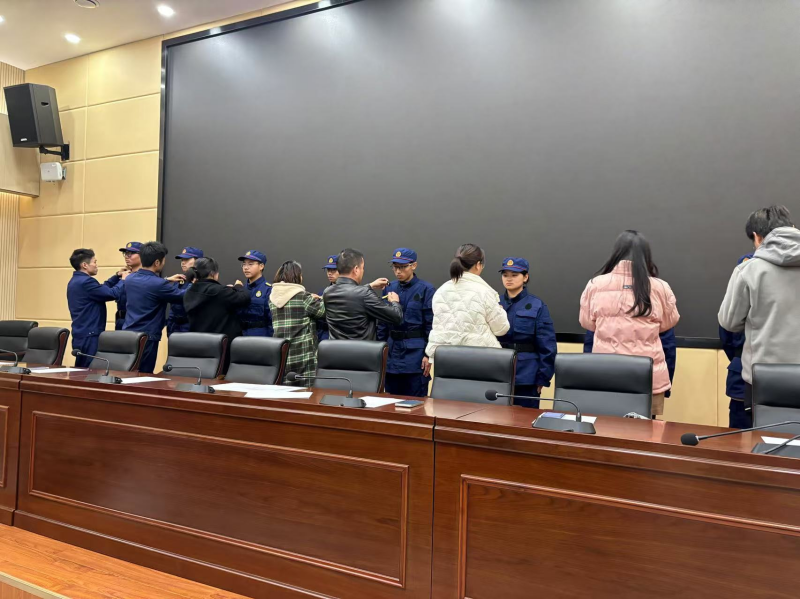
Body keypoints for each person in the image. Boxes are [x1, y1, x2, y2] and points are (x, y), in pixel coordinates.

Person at [579, 230, 680, 416]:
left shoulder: (595, 285)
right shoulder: (660, 287)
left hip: (605, 375)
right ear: (646, 256)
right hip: (647, 379)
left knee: (606, 427)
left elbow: (587, 323)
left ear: (616, 253)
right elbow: (668, 323)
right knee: (645, 430)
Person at [719, 206, 800, 410]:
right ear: (792, 227)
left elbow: (729, 322)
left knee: (762, 429)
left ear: (756, 237)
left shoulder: (748, 270)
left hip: (763, 379)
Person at [426, 244, 510, 362]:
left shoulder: (441, 290)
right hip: (478, 359)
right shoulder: (484, 292)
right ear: (478, 265)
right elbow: (501, 329)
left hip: (444, 359)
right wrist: (500, 310)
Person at [497, 257, 557, 408]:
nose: (509, 279)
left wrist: (543, 378)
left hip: (526, 375)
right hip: (497, 371)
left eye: (514, 275)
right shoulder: (494, 303)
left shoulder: (537, 305)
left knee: (524, 419)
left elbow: (547, 345)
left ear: (525, 277)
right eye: (505, 275)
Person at [377, 248, 436, 397]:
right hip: (392, 354)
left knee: (416, 403)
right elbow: (382, 323)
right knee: (390, 401)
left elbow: (431, 325)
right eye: (395, 267)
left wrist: (428, 354)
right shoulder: (389, 288)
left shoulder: (426, 289)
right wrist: (379, 352)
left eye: (402, 267)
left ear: (414, 265)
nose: (398, 271)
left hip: (415, 355)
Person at [122, 241, 188, 373]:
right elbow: (182, 296)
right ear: (157, 262)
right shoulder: (159, 284)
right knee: (144, 374)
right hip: (148, 337)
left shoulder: (129, 279)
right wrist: (196, 284)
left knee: (128, 372)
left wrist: (166, 280)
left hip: (128, 334)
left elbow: (149, 285)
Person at [323, 248, 403, 340]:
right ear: (356, 269)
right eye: (362, 268)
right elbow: (396, 317)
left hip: (336, 348)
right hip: (360, 348)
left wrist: (370, 286)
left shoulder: (327, 292)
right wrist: (395, 302)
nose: (363, 271)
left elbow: (350, 294)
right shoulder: (364, 294)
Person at [66, 248, 127, 367]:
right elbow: (112, 294)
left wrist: (117, 276)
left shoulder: (77, 280)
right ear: (85, 265)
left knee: (83, 369)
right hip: (90, 334)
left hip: (83, 333)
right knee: (88, 370)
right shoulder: (86, 282)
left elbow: (102, 289)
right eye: (94, 262)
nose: (96, 265)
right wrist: (123, 280)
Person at [269, 261, 326, 383]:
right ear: (296, 276)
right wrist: (321, 299)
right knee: (306, 390)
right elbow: (323, 311)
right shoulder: (303, 297)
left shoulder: (272, 298)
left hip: (282, 352)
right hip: (302, 354)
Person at [719, 253, 754, 429]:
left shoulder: (733, 308)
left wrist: (740, 356)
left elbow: (726, 336)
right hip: (741, 378)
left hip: (741, 371)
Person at [183, 257, 251, 343]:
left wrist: (227, 290)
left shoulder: (189, 292)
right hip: (220, 344)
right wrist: (238, 286)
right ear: (212, 273)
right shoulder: (218, 291)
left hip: (198, 343)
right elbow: (244, 298)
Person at [166, 246, 203, 337]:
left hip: (191, 327)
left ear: (198, 261)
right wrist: (170, 327)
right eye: (182, 259)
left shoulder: (203, 281)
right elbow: (173, 307)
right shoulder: (179, 279)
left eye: (187, 259)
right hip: (175, 326)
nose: (183, 262)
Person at [105, 241, 141, 330]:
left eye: (131, 253)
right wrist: (118, 275)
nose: (127, 256)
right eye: (126, 253)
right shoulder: (123, 276)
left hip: (136, 322)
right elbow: (105, 290)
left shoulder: (144, 277)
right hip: (120, 321)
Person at [237, 250, 273, 337]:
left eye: (250, 264)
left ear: (261, 266)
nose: (246, 268)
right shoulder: (241, 289)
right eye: (244, 264)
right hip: (240, 337)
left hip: (260, 337)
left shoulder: (268, 290)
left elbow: (272, 320)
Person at [317, 254, 339, 342]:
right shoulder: (322, 293)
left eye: (334, 270)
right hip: (325, 338)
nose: (330, 273)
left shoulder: (352, 293)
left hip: (342, 339)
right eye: (328, 270)